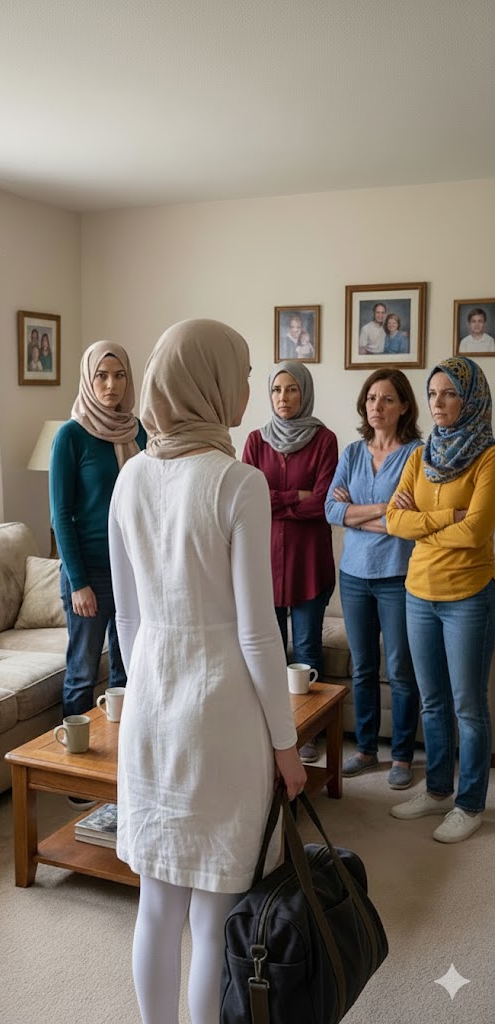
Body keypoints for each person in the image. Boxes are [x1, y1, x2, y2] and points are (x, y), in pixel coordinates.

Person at [109, 319, 306, 1024]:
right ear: (210, 381)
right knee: (213, 916)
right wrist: (286, 744)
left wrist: (147, 689)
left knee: (156, 905)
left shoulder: (129, 476)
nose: (249, 387)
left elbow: (127, 618)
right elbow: (257, 632)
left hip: (150, 707)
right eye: (243, 373)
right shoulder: (237, 481)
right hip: (220, 716)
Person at [387, 356, 495, 842]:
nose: (438, 403)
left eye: (449, 393)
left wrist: (424, 524)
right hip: (418, 593)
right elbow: (394, 521)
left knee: (467, 706)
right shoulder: (420, 454)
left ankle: (469, 804)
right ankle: (436, 791)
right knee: (432, 702)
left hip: (468, 595)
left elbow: (476, 533)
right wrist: (448, 517)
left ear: (470, 399)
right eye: (432, 394)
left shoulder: (488, 455)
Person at [50, 341, 146, 807]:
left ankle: (119, 762)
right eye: (101, 376)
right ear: (89, 381)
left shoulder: (138, 431)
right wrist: (79, 582)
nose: (111, 385)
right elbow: (60, 515)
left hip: (132, 570)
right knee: (83, 671)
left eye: (119, 375)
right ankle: (76, 773)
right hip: (88, 573)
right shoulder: (70, 436)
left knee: (128, 668)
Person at [325, 368, 422, 789]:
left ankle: (401, 756)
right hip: (353, 576)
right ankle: (365, 750)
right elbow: (331, 510)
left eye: (386, 399)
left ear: (404, 407)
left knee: (400, 669)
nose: (376, 406)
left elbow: (414, 518)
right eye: (371, 398)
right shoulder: (351, 453)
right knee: (363, 667)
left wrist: (357, 514)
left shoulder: (417, 454)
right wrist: (385, 509)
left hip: (398, 575)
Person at [242, 361, 337, 762]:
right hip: (262, 565)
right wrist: (294, 496)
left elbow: (323, 502)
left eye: (292, 389)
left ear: (305, 393)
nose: (283, 397)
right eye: (277, 390)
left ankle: (308, 733)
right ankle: (273, 733)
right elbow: (247, 500)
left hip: (308, 564)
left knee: (307, 651)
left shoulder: (324, 440)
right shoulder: (255, 441)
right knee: (268, 653)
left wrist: (275, 501)